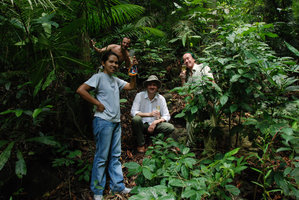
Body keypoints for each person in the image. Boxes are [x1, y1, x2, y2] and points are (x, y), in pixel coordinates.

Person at [76, 51, 136, 200]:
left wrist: (133, 69)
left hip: (116, 123)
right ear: (103, 63)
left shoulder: (115, 80)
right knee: (102, 157)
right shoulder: (98, 77)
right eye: (111, 62)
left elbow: (131, 86)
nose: (114, 65)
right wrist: (97, 103)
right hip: (103, 121)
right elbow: (81, 90)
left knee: (115, 156)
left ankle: (118, 186)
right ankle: (97, 191)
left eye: (116, 63)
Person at [179, 52, 215, 154]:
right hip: (195, 105)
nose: (186, 61)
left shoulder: (203, 68)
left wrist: (208, 100)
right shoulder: (188, 76)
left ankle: (209, 153)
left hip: (207, 103)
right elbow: (187, 94)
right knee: (190, 123)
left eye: (188, 58)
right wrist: (182, 79)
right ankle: (190, 149)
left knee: (209, 126)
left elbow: (212, 83)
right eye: (184, 60)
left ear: (194, 59)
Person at [130, 75, 175, 153]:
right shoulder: (139, 96)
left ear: (157, 87)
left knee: (170, 127)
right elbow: (133, 112)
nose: (152, 87)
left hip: (155, 126)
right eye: (150, 84)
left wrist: (155, 122)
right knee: (136, 119)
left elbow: (167, 116)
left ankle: (154, 142)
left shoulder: (161, 98)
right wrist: (149, 114)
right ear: (147, 86)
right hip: (142, 125)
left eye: (154, 85)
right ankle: (141, 144)